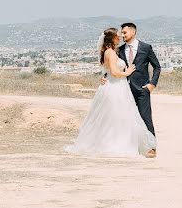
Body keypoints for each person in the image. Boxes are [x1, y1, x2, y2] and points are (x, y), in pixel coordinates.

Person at [64, 27, 157, 158]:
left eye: (122, 34)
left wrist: (105, 76)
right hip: (116, 88)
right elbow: (114, 72)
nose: (120, 37)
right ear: (112, 38)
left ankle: (134, 144)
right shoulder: (111, 52)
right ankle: (116, 144)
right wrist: (128, 72)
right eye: (118, 36)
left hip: (121, 87)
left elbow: (107, 70)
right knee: (117, 116)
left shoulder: (114, 51)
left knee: (121, 116)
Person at [117, 22, 160, 158]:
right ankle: (130, 146)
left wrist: (152, 84)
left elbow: (157, 67)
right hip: (124, 89)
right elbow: (115, 67)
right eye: (122, 33)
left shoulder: (146, 48)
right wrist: (105, 78)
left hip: (142, 89)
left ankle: (151, 147)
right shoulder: (120, 50)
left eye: (124, 33)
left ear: (133, 32)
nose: (122, 35)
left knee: (145, 118)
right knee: (125, 118)